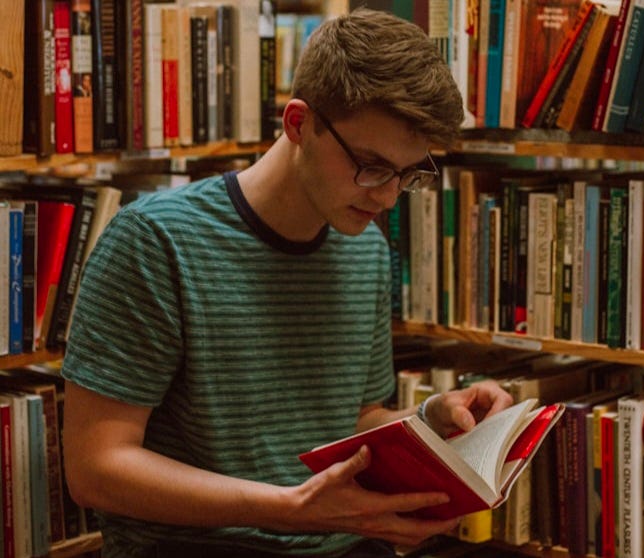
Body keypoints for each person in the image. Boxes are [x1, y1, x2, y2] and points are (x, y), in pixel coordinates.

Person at [61, 8, 513, 558]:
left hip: (344, 542)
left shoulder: (364, 247)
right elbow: (95, 468)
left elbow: (355, 420)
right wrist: (287, 507)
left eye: (408, 173)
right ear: (298, 123)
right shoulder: (155, 241)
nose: (387, 197)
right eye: (370, 165)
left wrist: (430, 420)